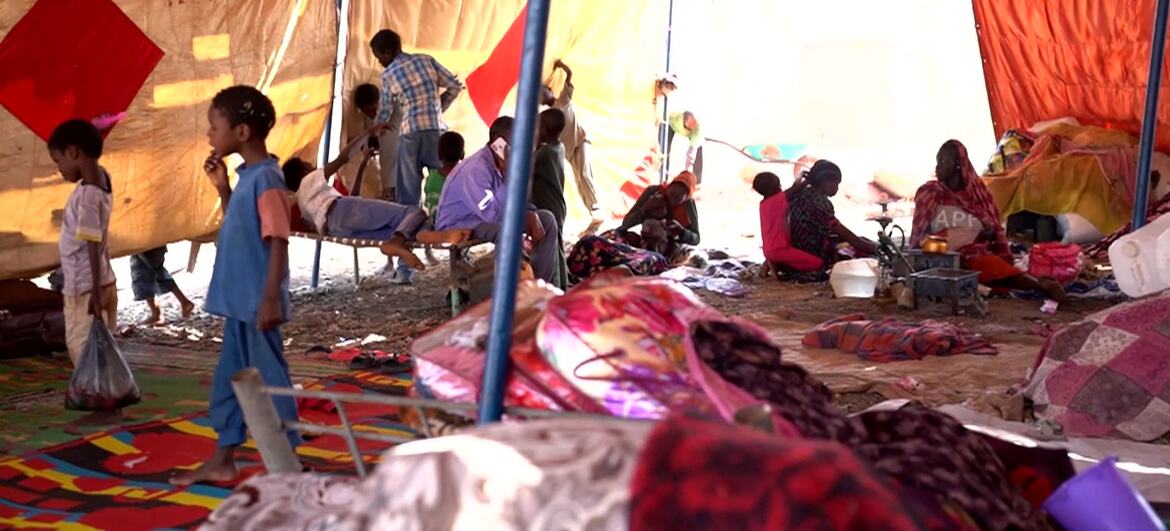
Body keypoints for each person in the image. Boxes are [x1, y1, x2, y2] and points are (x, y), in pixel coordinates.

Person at [171, 86, 299, 486]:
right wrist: (222, 188)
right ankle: (224, 458)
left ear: (241, 132)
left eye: (214, 127)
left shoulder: (268, 180)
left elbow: (278, 239)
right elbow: (240, 225)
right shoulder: (247, 179)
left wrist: (268, 299)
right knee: (232, 381)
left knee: (271, 382)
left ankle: (288, 465)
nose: (210, 135)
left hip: (256, 306)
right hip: (239, 306)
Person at [911, 140, 1066, 301]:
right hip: (940, 255)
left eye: (943, 161)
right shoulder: (930, 193)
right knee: (951, 271)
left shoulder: (977, 195)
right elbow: (919, 233)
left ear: (958, 164)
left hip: (974, 253)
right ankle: (1034, 284)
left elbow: (995, 227)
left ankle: (1041, 285)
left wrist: (985, 231)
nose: (938, 166)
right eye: (938, 161)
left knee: (986, 267)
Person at [282, 127, 449, 277]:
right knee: (414, 212)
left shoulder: (305, 203)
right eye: (308, 165)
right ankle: (397, 242)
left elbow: (352, 198)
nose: (313, 168)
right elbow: (343, 158)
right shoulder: (308, 182)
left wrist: (363, 164)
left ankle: (400, 240)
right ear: (303, 171)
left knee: (410, 230)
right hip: (344, 211)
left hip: (338, 229)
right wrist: (368, 133)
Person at [370, 29, 462, 282]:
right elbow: (455, 85)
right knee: (451, 189)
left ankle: (404, 269)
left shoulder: (389, 74)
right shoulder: (426, 60)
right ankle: (461, 255)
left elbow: (386, 109)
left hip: (410, 136)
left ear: (388, 53)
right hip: (436, 134)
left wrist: (378, 126)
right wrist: (438, 109)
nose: (379, 61)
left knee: (409, 200)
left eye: (379, 57)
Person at [435, 116, 562, 284]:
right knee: (506, 230)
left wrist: (531, 213)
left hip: (480, 218)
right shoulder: (476, 168)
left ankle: (537, 286)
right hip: (459, 222)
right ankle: (511, 291)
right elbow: (491, 214)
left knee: (546, 219)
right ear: (497, 140)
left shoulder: (501, 162)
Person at [48, 119, 117, 367]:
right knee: (104, 349)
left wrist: (95, 293)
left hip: (86, 288)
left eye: (58, 161)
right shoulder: (103, 180)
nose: (60, 169)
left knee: (83, 348)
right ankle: (111, 401)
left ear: (73, 152)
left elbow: (90, 241)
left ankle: (104, 403)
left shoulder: (87, 195)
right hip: (104, 280)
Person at [785, 160, 877, 282]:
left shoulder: (800, 194)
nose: (837, 188)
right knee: (856, 254)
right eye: (836, 184)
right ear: (824, 182)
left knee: (858, 240)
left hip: (794, 251)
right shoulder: (820, 203)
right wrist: (878, 249)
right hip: (811, 255)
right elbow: (848, 236)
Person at [541, 59, 600, 231]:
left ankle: (596, 211)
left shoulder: (563, 100)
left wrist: (561, 66)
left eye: (543, 93)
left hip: (579, 142)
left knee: (585, 176)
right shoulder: (547, 117)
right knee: (580, 181)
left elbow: (570, 76)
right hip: (569, 151)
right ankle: (593, 215)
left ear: (549, 92)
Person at [751, 172, 823, 280]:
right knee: (818, 264)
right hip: (780, 249)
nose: (781, 188)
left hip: (769, 249)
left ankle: (769, 266)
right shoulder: (775, 200)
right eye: (778, 186)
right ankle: (787, 270)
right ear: (770, 190)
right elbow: (796, 188)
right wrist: (803, 177)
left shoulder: (764, 204)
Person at [617, 171, 700, 263]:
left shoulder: (688, 205)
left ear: (686, 198)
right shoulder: (652, 192)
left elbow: (696, 239)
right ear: (668, 187)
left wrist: (681, 231)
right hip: (646, 242)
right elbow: (625, 223)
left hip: (670, 249)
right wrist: (645, 208)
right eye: (671, 195)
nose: (671, 201)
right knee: (616, 236)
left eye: (677, 199)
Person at [531, 108, 570, 288]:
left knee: (553, 250)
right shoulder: (559, 147)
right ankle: (563, 283)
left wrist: (535, 142)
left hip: (550, 206)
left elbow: (527, 166)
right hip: (557, 204)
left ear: (545, 131)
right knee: (558, 248)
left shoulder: (544, 154)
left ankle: (558, 285)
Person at [130, 246, 195, 325]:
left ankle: (156, 313)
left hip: (144, 244)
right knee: (158, 271)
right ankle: (184, 302)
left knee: (142, 273)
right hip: (156, 242)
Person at [667, 111, 704, 183]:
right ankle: (663, 174)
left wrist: (687, 176)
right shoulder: (675, 118)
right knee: (664, 149)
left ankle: (696, 180)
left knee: (698, 147)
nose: (690, 130)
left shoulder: (697, 131)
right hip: (671, 125)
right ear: (684, 121)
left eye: (692, 128)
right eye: (689, 127)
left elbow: (690, 156)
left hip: (693, 134)